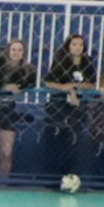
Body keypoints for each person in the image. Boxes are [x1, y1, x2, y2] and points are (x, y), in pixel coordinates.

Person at [42, 32, 95, 190]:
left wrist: (75, 87)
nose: (77, 47)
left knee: (75, 144)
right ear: (68, 46)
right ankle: (53, 180)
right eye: (74, 44)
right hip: (59, 107)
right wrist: (65, 88)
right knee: (56, 142)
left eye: (80, 44)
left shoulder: (88, 62)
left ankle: (72, 178)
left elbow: (91, 84)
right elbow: (50, 83)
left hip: (78, 109)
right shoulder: (60, 62)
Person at [0, 37, 35, 181]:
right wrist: (3, 87)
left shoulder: (27, 69)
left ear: (24, 52)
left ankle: (3, 183)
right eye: (13, 49)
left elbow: (31, 82)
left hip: (9, 111)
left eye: (20, 50)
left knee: (6, 153)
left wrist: (19, 87)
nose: (16, 53)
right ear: (7, 51)